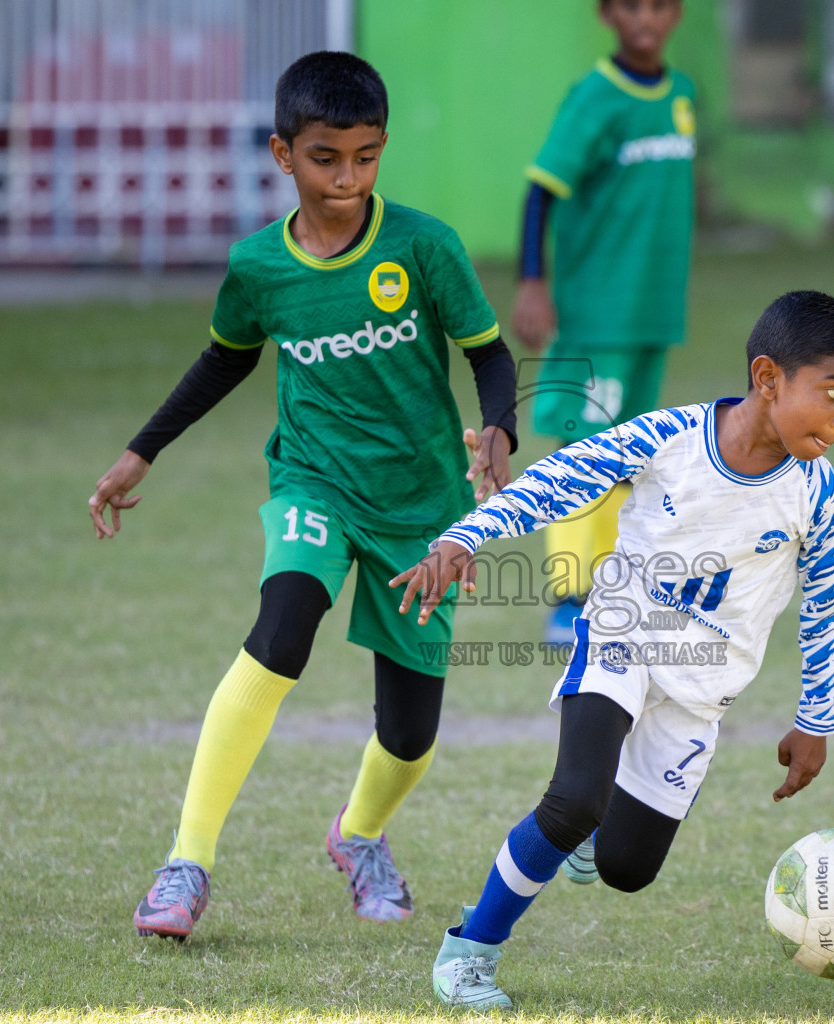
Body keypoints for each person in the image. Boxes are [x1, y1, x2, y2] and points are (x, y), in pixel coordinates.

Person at [87, 52, 517, 938]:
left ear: (382, 148)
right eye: (326, 158)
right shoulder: (259, 268)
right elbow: (225, 358)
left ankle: (359, 836)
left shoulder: (424, 247)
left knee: (410, 732)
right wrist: (143, 451)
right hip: (313, 480)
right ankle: (186, 864)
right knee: (280, 634)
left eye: (365, 157)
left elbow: (490, 352)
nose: (347, 179)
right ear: (284, 154)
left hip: (422, 504)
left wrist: (501, 430)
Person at [392, 291, 834, 1009]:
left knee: (627, 867)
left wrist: (816, 721)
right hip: (622, 638)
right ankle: (471, 948)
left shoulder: (818, 496)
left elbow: (828, 605)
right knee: (570, 803)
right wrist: (463, 536)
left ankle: (599, 823)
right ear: (767, 377)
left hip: (702, 691)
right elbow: (559, 483)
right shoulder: (670, 440)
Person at [513, 0, 696, 643]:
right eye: (631, 6)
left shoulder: (682, 94)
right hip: (597, 314)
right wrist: (532, 281)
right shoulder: (594, 97)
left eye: (659, 6)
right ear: (606, 14)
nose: (645, 19)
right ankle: (569, 597)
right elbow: (541, 189)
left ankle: (614, 588)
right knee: (580, 449)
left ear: (677, 14)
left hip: (653, 309)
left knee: (631, 457)